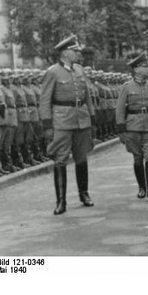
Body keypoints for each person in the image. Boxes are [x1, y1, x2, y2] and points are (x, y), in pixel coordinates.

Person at [39, 35, 97, 215]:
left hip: (81, 119)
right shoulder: (53, 72)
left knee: (81, 157)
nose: (78, 53)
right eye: (75, 51)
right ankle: (61, 201)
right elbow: (45, 99)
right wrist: (48, 125)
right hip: (62, 120)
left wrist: (92, 118)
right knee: (61, 159)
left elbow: (87, 95)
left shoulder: (79, 70)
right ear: (65, 53)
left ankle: (84, 194)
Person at [116, 52, 148, 199]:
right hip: (133, 127)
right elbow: (119, 110)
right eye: (145, 66)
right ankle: (142, 187)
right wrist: (121, 130)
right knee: (138, 158)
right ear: (137, 69)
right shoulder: (126, 87)